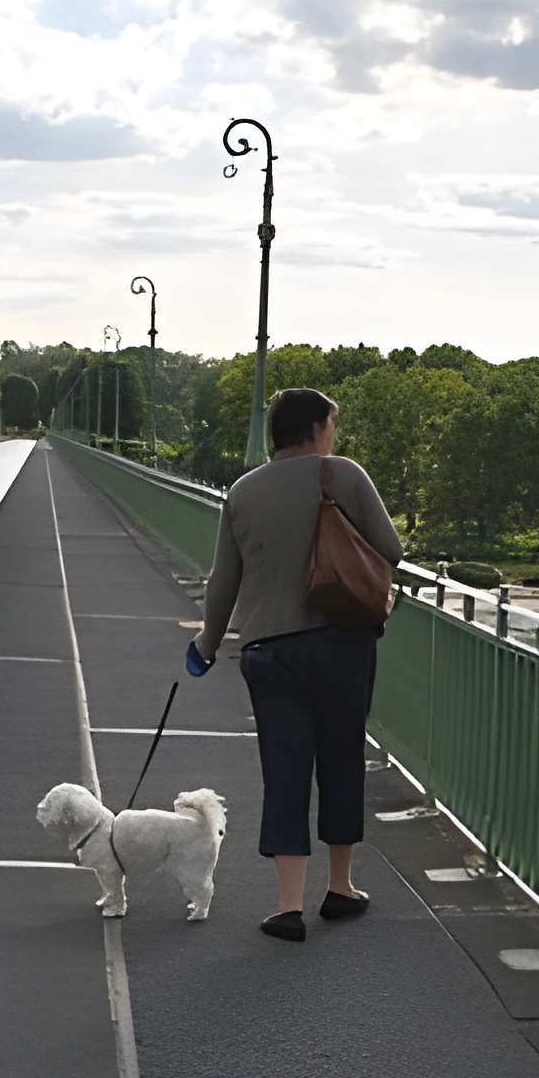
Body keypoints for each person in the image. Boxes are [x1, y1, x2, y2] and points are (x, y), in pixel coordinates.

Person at [187, 386, 408, 940]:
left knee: (284, 772)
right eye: (332, 425)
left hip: (268, 651)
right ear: (315, 429)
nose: (334, 436)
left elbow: (224, 581)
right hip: (341, 644)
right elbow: (391, 547)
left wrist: (208, 646)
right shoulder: (342, 475)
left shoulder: (242, 492)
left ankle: (288, 907)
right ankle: (340, 889)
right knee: (340, 760)